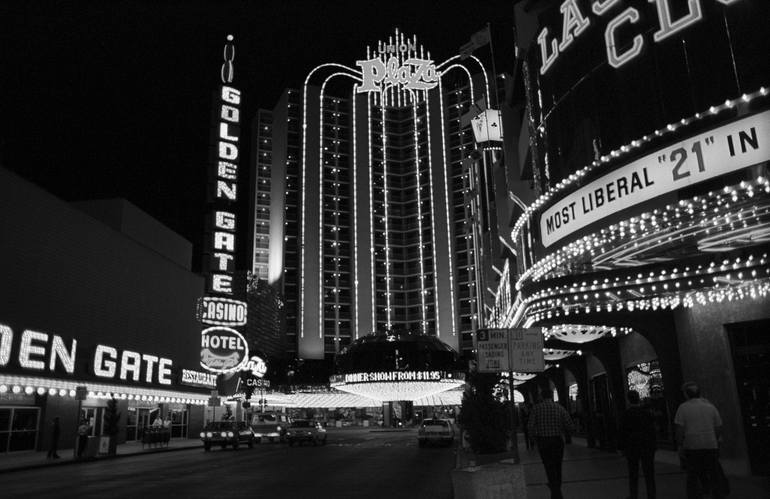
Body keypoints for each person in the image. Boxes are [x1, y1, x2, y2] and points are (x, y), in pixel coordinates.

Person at [674, 381, 724, 499]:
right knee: (714, 473)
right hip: (710, 444)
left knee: (692, 474)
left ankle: (696, 494)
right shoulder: (710, 406)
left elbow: (680, 429)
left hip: (692, 446)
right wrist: (715, 439)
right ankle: (717, 493)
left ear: (686, 394)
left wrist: (680, 445)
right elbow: (718, 426)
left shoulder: (683, 408)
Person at [528, 388, 575, 499]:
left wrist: (533, 439)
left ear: (542, 396)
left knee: (548, 465)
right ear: (551, 396)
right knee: (558, 465)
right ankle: (557, 486)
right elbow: (570, 425)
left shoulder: (536, 409)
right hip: (557, 440)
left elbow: (530, 426)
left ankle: (555, 489)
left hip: (543, 441)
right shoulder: (559, 408)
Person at [619, 390, 656, 499]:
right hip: (647, 445)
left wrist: (622, 447)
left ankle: (634, 494)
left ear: (628, 400)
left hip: (632, 446)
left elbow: (622, 431)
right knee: (649, 472)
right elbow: (652, 429)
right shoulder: (646, 413)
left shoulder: (626, 414)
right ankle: (651, 494)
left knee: (633, 472)